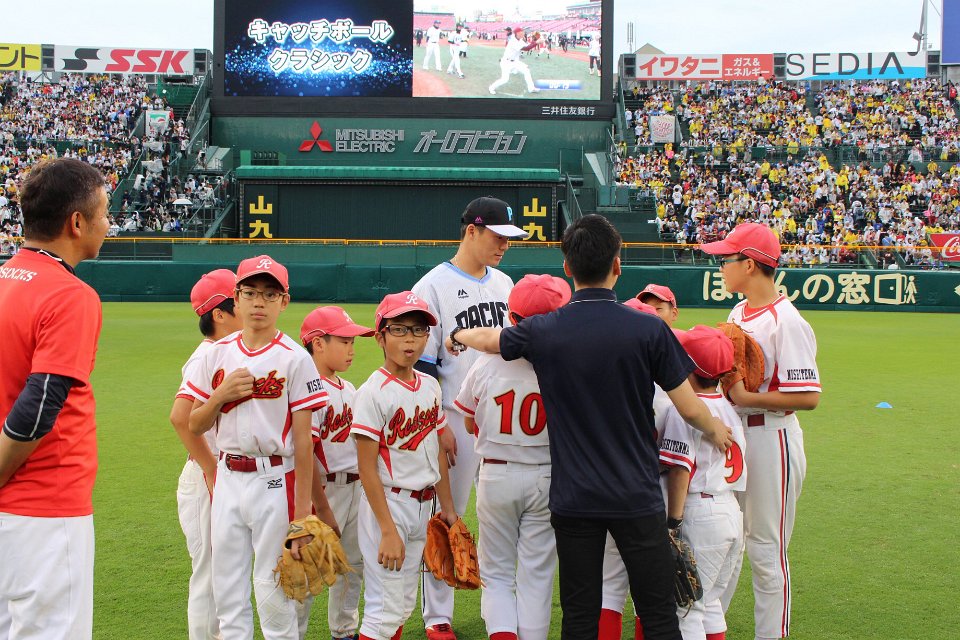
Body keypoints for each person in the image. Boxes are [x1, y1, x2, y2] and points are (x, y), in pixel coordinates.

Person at [446, 214, 733, 640]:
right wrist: (715, 430)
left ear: (568, 267)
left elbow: (492, 340)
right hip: (635, 493)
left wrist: (459, 334)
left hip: (575, 495)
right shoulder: (649, 328)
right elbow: (690, 408)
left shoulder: (546, 329)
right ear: (617, 265)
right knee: (658, 613)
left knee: (580, 615)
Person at [185, 255, 339, 640]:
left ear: (284, 302)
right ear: (236, 298)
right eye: (251, 292)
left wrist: (302, 518)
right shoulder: (216, 354)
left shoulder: (295, 359)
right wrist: (219, 395)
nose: (259, 302)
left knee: (274, 590)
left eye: (270, 294)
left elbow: (303, 442)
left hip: (274, 479)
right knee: (227, 589)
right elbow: (194, 424)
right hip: (227, 478)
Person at [0, 157, 109, 640]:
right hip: (44, 510)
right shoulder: (70, 295)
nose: (109, 224)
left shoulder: (5, 278)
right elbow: (38, 409)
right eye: (104, 213)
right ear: (76, 222)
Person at [412, 196, 528, 640]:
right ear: (471, 231)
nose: (504, 245)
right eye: (497, 236)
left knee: (502, 515)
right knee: (448, 513)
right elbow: (423, 367)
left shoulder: (505, 283)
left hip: (499, 418)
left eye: (509, 238)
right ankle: (437, 616)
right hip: (452, 418)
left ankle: (500, 609)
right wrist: (436, 425)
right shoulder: (432, 287)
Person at [700, 222, 821, 640]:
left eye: (725, 259)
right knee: (729, 539)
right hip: (738, 436)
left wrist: (744, 396)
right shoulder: (738, 312)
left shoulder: (787, 321)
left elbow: (809, 397)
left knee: (767, 550)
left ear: (749, 264)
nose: (720, 267)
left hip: (773, 438)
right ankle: (709, 628)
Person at [453, 274, 571, 640]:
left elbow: (469, 421)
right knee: (536, 573)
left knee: (497, 573)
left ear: (511, 316)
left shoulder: (488, 362)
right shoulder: (570, 363)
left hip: (498, 474)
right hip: (548, 475)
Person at [350, 292, 458, 640]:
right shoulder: (372, 392)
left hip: (425, 505)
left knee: (402, 604)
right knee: (383, 610)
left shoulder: (430, 386)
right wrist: (386, 530)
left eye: (418, 329)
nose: (409, 339)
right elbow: (367, 468)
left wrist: (448, 509)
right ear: (380, 337)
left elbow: (437, 451)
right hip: (389, 505)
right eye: (399, 329)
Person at [600, 285, 681, 640]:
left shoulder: (601, 378)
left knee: (608, 586)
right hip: (654, 490)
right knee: (652, 589)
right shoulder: (675, 390)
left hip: (606, 486)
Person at [659, 326, 746, 640]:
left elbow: (680, 470)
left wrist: (673, 523)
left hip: (700, 514)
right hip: (731, 513)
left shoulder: (686, 411)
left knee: (687, 611)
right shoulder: (730, 410)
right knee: (709, 605)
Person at [170, 269, 243, 640]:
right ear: (219, 313)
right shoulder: (208, 355)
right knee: (209, 575)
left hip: (222, 473)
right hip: (206, 475)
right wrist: (212, 471)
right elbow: (180, 418)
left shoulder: (228, 352)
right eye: (240, 299)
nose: (250, 305)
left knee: (225, 572)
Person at [296, 306, 375, 640]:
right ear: (318, 343)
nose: (352, 349)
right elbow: (306, 453)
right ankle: (293, 633)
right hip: (323, 491)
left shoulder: (349, 388)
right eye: (344, 341)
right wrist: (321, 506)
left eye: (353, 342)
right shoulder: (307, 390)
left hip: (356, 488)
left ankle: (344, 630)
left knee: (353, 567)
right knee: (307, 572)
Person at [488, 27, 540, 96]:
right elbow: (526, 49)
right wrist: (536, 42)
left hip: (515, 62)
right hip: (506, 62)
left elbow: (528, 46)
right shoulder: (513, 41)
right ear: (517, 33)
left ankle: (531, 88)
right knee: (505, 79)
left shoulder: (520, 40)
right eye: (521, 32)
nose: (523, 33)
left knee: (526, 70)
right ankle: (491, 88)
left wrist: (535, 40)